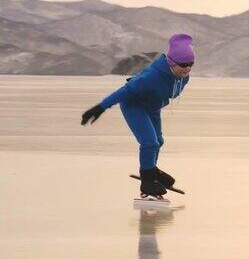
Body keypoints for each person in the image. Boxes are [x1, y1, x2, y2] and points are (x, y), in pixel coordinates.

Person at [81, 33, 195, 198]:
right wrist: (100, 108)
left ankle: (151, 171)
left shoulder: (183, 77)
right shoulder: (151, 77)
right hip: (134, 105)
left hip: (152, 106)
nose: (187, 69)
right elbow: (124, 91)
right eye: (183, 64)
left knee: (158, 141)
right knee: (149, 142)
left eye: (191, 64)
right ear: (171, 62)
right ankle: (148, 181)